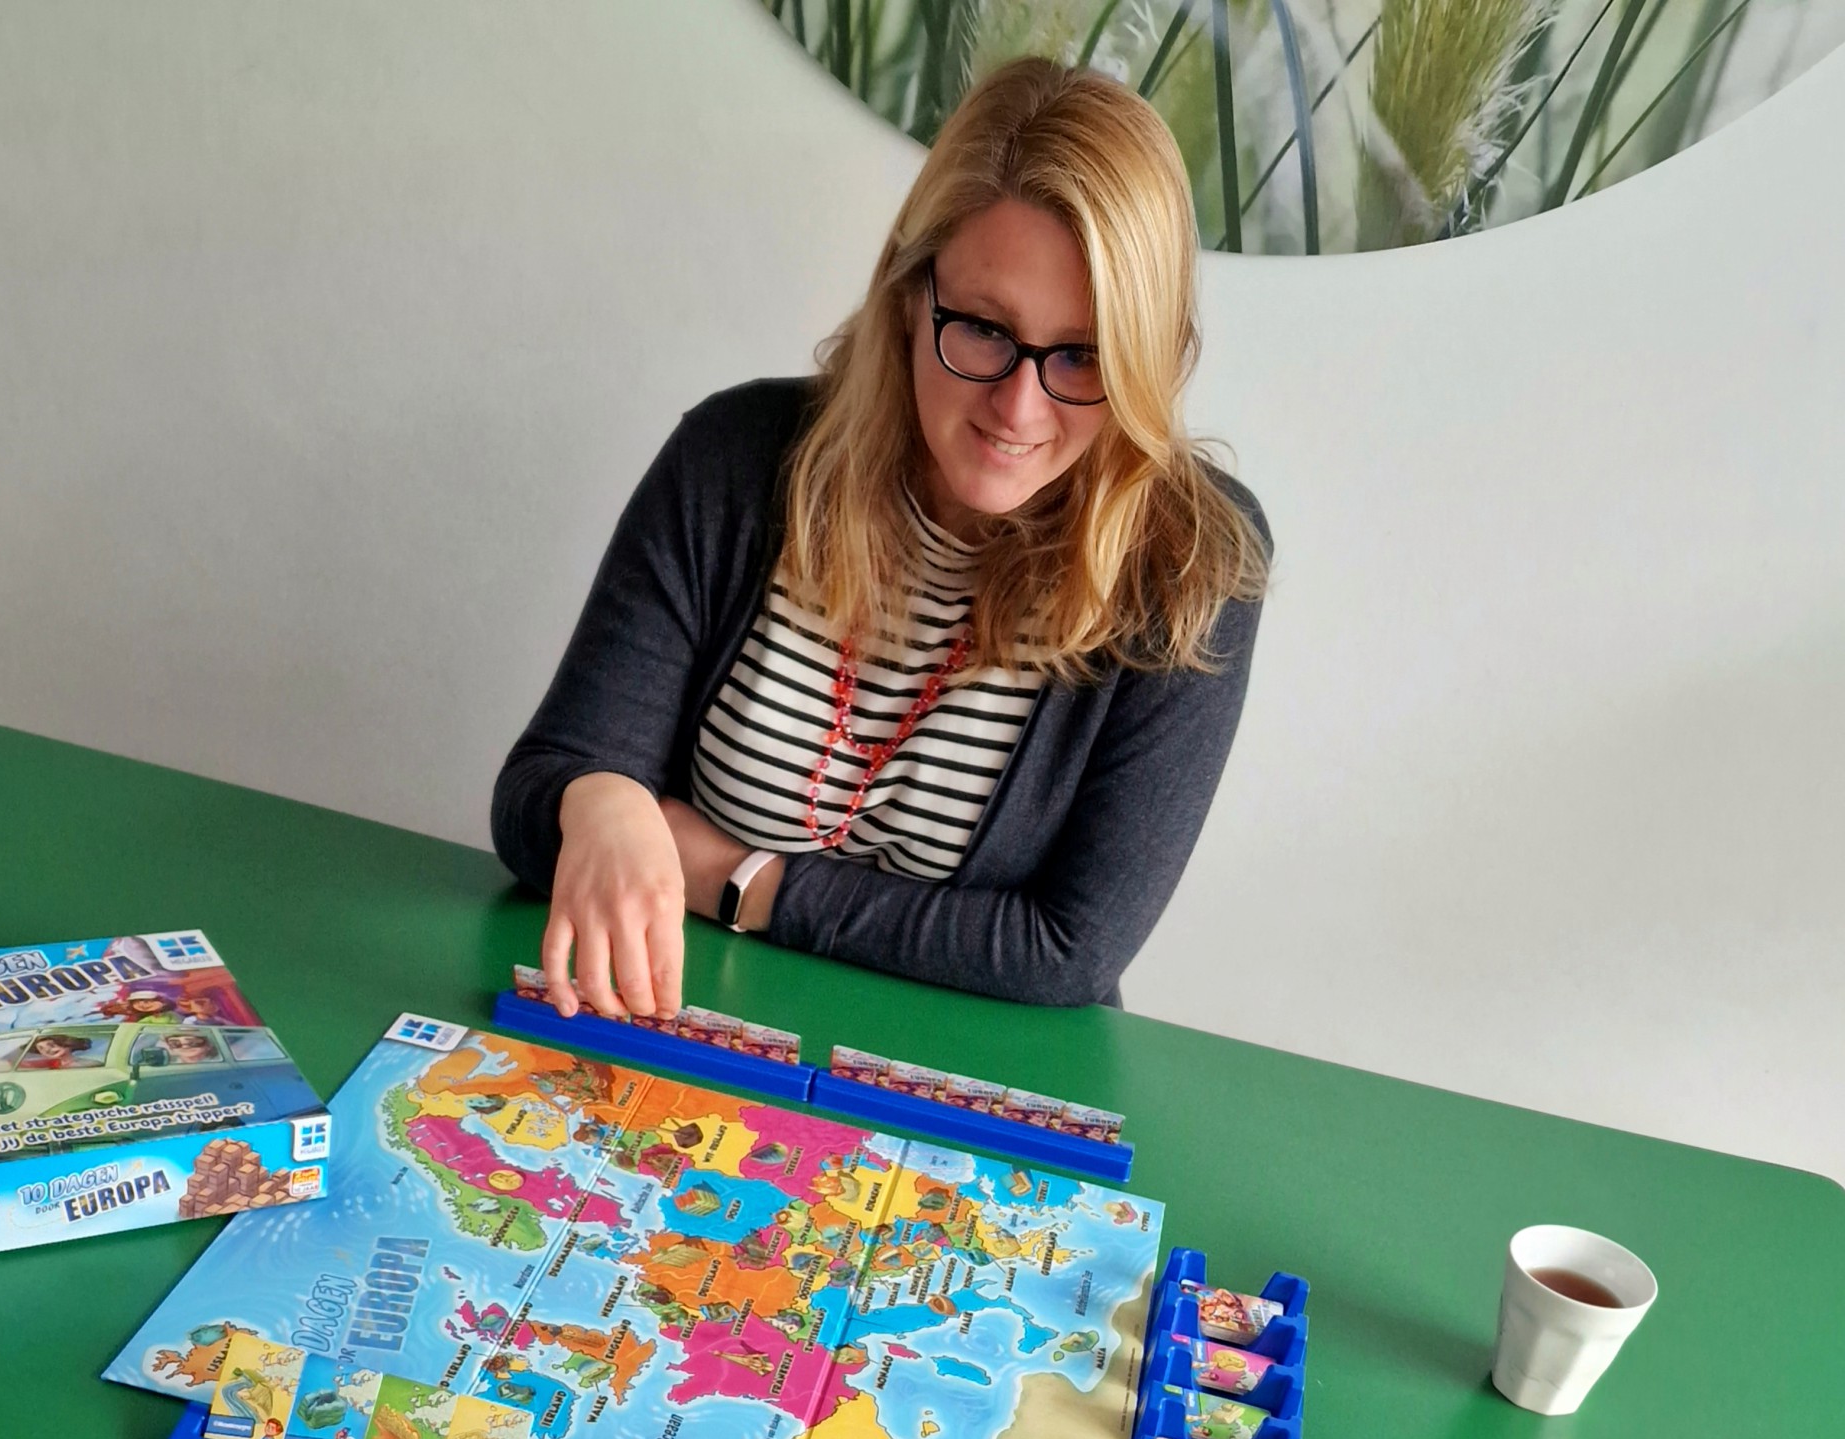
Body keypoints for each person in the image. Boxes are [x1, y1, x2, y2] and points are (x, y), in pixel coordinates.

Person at [494, 57, 1267, 1018]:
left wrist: (737, 880)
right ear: (910, 294)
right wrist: (599, 801)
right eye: (984, 329)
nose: (1020, 406)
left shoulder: (1193, 562)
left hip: (977, 1091)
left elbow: (1061, 950)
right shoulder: (733, 462)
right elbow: (538, 806)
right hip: (675, 1035)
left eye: (1084, 355)